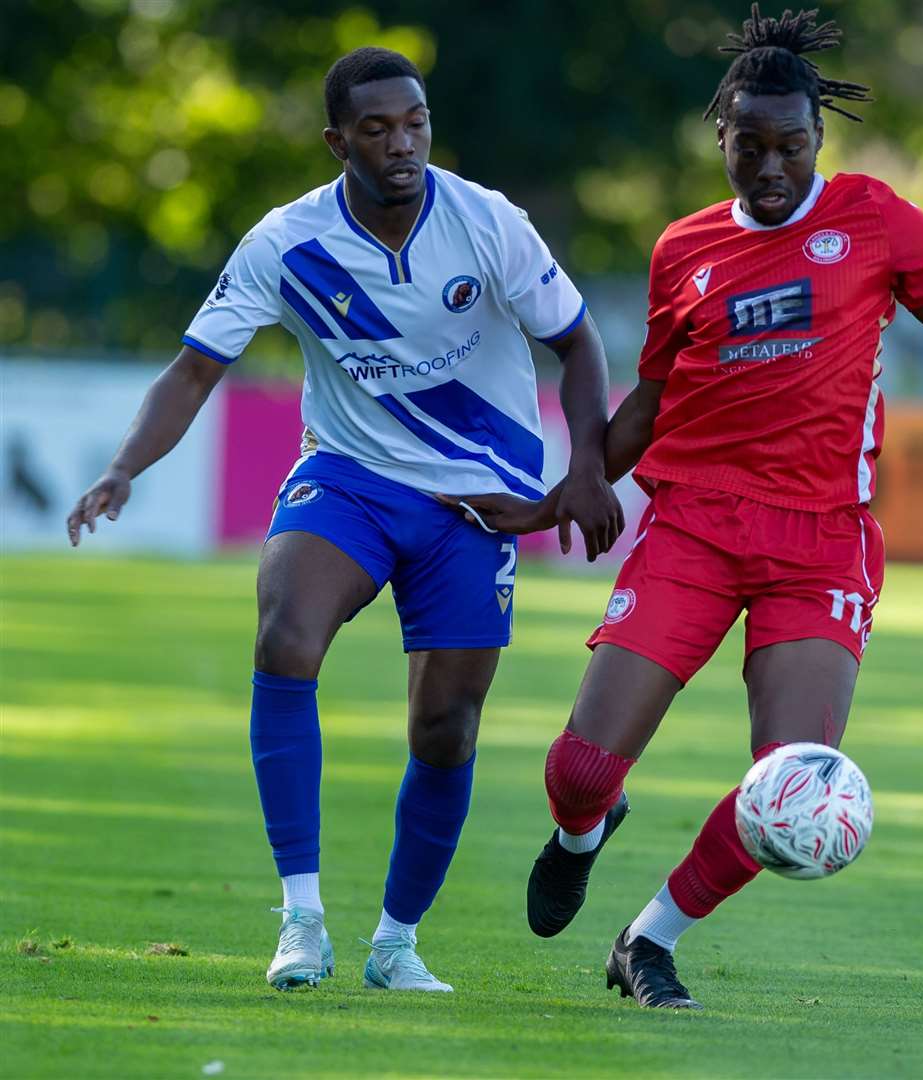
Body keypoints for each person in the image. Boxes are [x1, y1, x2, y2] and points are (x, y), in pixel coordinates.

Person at [454, 4, 923, 1010]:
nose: (770, 168)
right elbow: (654, 401)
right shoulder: (683, 251)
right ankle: (585, 829)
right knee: (583, 764)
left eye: (791, 147)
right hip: (694, 525)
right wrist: (558, 497)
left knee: (792, 786)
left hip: (821, 542)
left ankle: (647, 939)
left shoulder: (875, 221)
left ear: (819, 139)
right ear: (719, 137)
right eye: (749, 147)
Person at [64, 47, 622, 993]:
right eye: (377, 128)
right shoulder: (287, 244)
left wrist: (586, 469)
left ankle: (396, 945)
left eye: (415, 122)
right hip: (350, 477)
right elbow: (196, 368)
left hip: (474, 500)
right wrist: (123, 468)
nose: (402, 143)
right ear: (337, 141)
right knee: (285, 638)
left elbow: (577, 343)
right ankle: (302, 922)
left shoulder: (488, 222)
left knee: (444, 729)